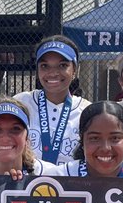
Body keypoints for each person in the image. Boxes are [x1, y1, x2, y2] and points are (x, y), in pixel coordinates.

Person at [16, 36, 89, 166]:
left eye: (62, 65)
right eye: (45, 66)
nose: (53, 73)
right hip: (27, 183)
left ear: (74, 70)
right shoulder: (21, 102)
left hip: (71, 184)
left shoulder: (86, 111)